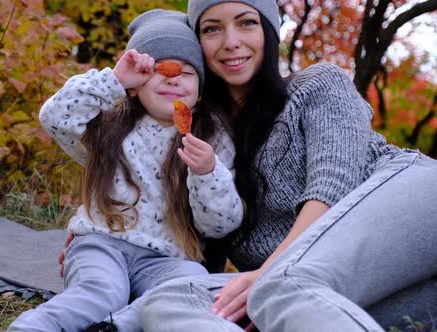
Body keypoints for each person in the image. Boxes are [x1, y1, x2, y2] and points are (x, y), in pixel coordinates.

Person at [136, 1, 437, 331]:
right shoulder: (200, 146)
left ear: (268, 31)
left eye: (246, 23)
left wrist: (271, 270)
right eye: (212, 29)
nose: (231, 41)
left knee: (284, 283)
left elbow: (334, 183)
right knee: (168, 299)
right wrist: (105, 245)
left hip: (410, 202)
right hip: (327, 290)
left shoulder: (317, 84)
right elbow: (193, 243)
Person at [7, 9, 243, 332]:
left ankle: (114, 327)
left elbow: (221, 224)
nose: (174, 77)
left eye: (187, 72)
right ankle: (32, 328)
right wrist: (115, 79)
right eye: (160, 69)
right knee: (103, 291)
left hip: (166, 259)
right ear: (136, 85)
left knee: (191, 283)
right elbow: (54, 116)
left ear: (200, 88)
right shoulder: (109, 127)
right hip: (101, 244)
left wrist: (208, 173)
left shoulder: (213, 138)